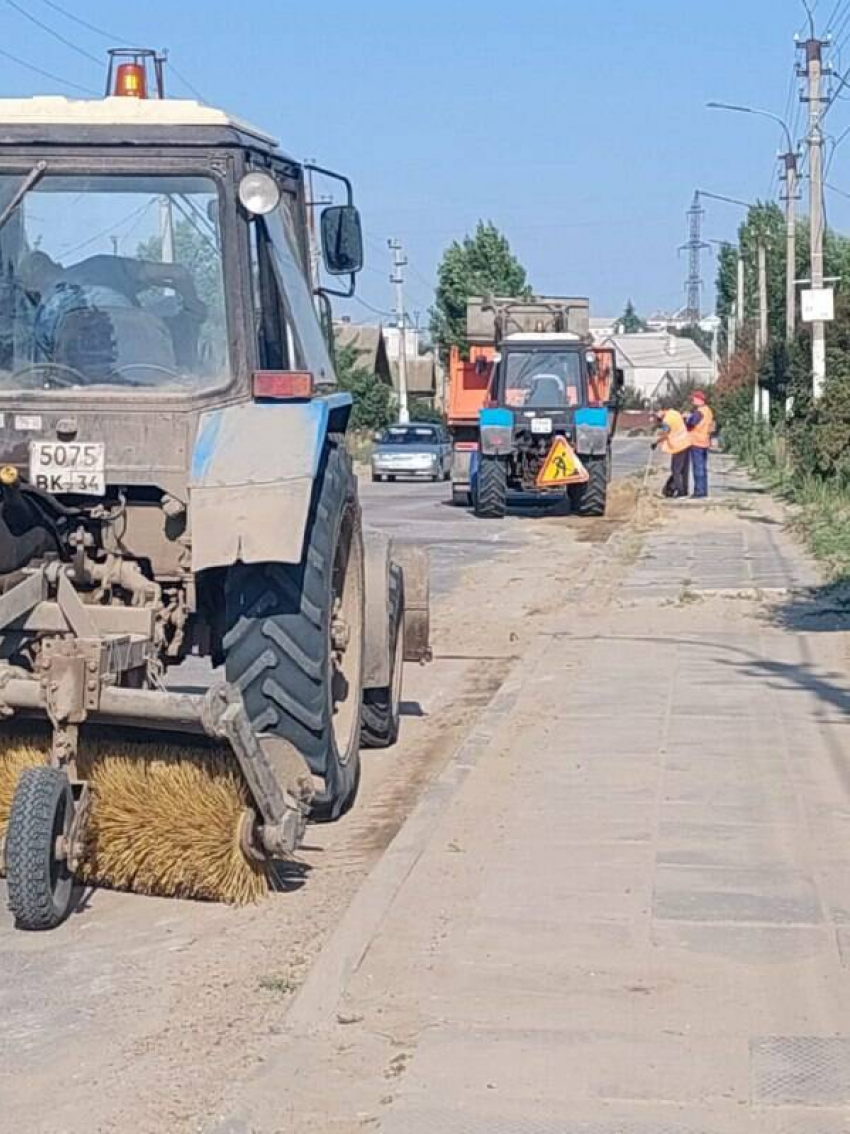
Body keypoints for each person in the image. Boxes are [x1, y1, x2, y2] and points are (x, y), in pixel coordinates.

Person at [653, 407, 692, 498]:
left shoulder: (666, 421)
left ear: (662, 410)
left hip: (678, 446)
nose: (658, 416)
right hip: (686, 443)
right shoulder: (674, 412)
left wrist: (656, 442)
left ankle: (680, 492)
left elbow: (665, 433)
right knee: (684, 470)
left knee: (676, 470)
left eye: (657, 413)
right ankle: (685, 490)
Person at [685, 389, 714, 498]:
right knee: (703, 467)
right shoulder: (708, 411)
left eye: (694, 399)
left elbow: (691, 423)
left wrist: (687, 419)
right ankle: (704, 490)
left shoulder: (699, 412)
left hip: (696, 441)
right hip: (705, 441)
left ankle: (699, 491)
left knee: (698, 467)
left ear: (699, 400)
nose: (692, 401)